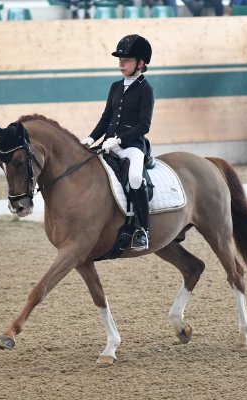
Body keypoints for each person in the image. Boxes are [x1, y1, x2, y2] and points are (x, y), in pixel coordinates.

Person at [80, 34, 155, 252]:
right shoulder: (115, 86)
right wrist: (91, 138)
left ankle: (143, 230)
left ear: (140, 63)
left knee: (134, 177)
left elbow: (144, 125)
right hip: (108, 145)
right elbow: (106, 118)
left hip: (132, 147)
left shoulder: (146, 89)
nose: (121, 64)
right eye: (120, 60)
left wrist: (120, 139)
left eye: (127, 60)